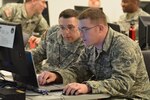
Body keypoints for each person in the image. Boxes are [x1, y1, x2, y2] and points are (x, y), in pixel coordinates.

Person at [38, 8, 150, 99]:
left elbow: (123, 83)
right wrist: (56, 76)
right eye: (80, 30)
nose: (81, 35)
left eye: (85, 30)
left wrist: (88, 87)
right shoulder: (90, 46)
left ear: (100, 28)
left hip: (132, 97)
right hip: (106, 95)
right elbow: (78, 71)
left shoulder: (123, 46)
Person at [31, 9, 84, 73]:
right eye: (62, 27)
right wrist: (20, 58)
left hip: (66, 80)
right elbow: (39, 53)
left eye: (70, 27)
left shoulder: (87, 43)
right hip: (44, 75)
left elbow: (81, 74)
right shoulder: (53, 32)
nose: (66, 32)